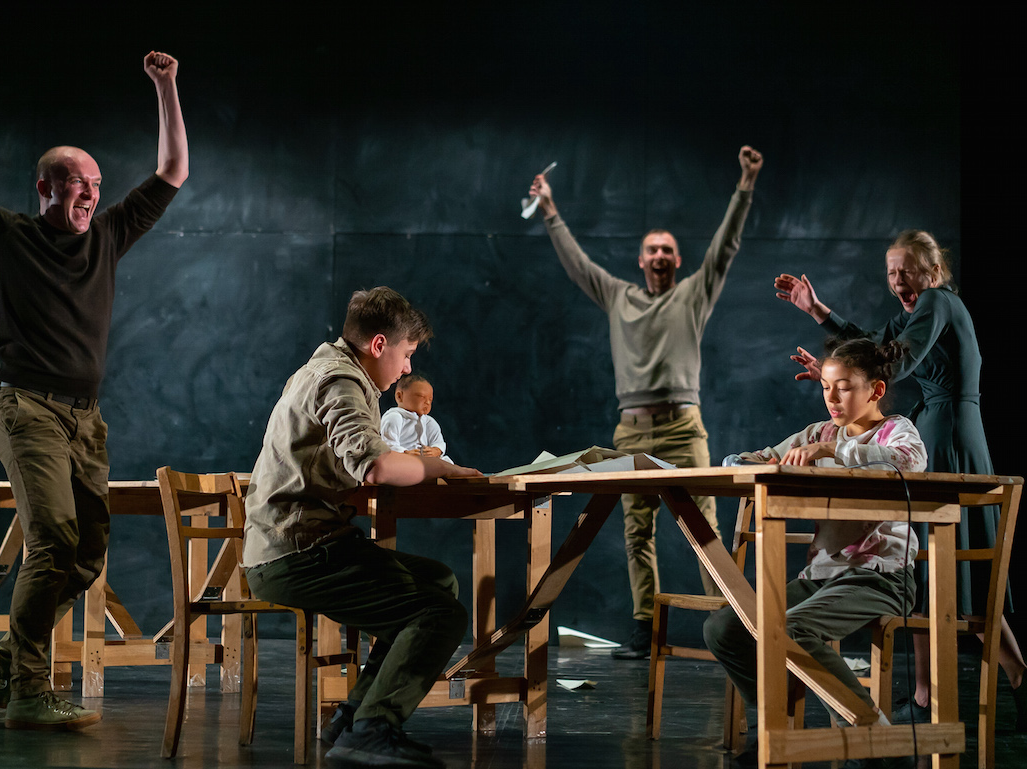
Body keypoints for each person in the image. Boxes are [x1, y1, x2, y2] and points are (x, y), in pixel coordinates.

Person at [0, 51, 188, 730]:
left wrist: (167, 85)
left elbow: (173, 170)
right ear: (44, 187)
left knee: (86, 555)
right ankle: (30, 689)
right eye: (72, 182)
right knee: (53, 539)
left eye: (93, 182)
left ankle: (12, 657)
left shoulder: (112, 234)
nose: (88, 192)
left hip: (85, 419)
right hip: (24, 406)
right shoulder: (7, 234)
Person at [774, 230, 1026, 729]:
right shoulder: (915, 313)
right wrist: (821, 321)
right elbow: (871, 347)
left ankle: (995, 680)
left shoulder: (937, 301)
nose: (897, 282)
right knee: (936, 572)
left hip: (948, 432)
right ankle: (937, 692)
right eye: (890, 272)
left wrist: (841, 373)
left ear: (932, 271)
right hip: (939, 424)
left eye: (905, 270)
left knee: (950, 571)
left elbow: (893, 360)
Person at [528, 146, 764, 659]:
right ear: (641, 260)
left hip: (684, 428)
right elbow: (577, 264)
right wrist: (549, 210)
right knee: (638, 531)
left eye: (667, 250)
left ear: (677, 261)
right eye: (651, 249)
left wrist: (744, 184)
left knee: (704, 526)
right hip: (631, 431)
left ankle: (731, 627)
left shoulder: (694, 295)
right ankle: (644, 630)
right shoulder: (618, 296)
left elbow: (724, 248)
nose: (659, 256)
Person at [242, 287, 482, 768]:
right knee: (442, 614)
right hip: (297, 551)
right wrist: (438, 469)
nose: (407, 369)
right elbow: (373, 467)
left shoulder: (325, 368)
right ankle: (374, 729)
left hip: (302, 544)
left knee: (437, 582)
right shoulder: (341, 381)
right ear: (379, 345)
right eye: (406, 354)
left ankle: (351, 719)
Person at [707, 337, 926, 730]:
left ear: (876, 390)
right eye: (826, 387)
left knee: (792, 628)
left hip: (881, 577)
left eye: (843, 387)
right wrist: (746, 461)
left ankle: (871, 734)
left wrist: (833, 453)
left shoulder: (895, 431)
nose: (832, 398)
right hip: (823, 576)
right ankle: (776, 725)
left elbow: (909, 462)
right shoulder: (820, 431)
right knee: (725, 628)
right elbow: (766, 456)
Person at [381, 374, 453, 462]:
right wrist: (405, 453)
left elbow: (438, 442)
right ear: (399, 396)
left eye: (430, 399)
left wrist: (436, 450)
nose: (427, 402)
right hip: (403, 460)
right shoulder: (395, 417)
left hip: (426, 461)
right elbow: (388, 444)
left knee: (446, 461)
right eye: (421, 397)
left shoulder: (429, 422)